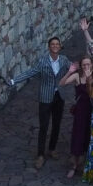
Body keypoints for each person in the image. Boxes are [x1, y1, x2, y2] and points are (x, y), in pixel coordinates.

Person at [30, 33, 70, 168]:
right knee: (44, 126)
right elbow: (31, 72)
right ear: (49, 47)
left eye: (57, 44)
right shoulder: (42, 61)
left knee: (57, 124)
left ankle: (52, 148)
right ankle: (40, 154)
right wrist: (13, 81)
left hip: (59, 96)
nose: (55, 46)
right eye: (53, 44)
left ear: (60, 47)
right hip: (46, 97)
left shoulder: (64, 60)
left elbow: (75, 68)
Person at [62, 56, 93, 180]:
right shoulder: (77, 77)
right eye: (84, 64)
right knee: (78, 135)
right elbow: (62, 83)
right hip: (80, 110)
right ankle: (74, 164)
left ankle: (86, 163)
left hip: (92, 109)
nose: (86, 67)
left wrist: (89, 77)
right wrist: (70, 71)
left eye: (88, 64)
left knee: (89, 135)